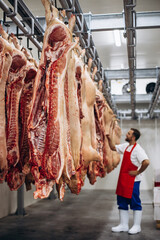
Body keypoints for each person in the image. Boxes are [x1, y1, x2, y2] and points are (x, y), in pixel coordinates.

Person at [107, 128, 150, 235]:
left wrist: (138, 171)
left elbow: (146, 162)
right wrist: (108, 138)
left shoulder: (138, 149)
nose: (126, 134)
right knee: (122, 202)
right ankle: (123, 225)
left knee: (135, 203)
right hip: (122, 180)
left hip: (133, 182)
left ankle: (137, 226)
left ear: (133, 137)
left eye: (129, 133)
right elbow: (113, 147)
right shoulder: (126, 146)